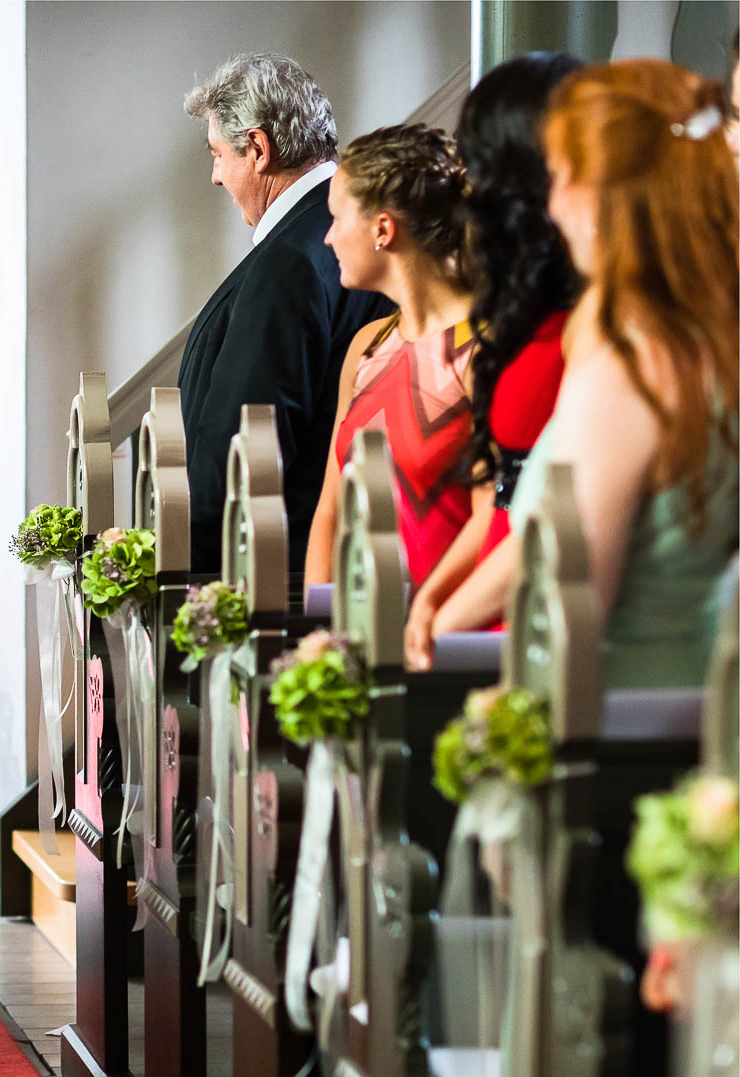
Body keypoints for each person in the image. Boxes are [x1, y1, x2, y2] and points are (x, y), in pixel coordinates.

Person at [507, 59, 737, 687]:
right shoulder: (716, 340)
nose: (552, 207)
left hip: (613, 726)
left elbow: (568, 611)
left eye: (558, 178)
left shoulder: (630, 361)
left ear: (602, 193)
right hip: (694, 713)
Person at [178, 52, 395, 573]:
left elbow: (247, 450)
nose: (214, 177)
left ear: (257, 148)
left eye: (216, 155)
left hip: (277, 575)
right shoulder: (342, 232)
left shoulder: (292, 260)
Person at [404, 53, 583, 668]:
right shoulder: (517, 309)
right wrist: (433, 603)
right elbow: (500, 498)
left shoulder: (587, 320)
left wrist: (449, 623)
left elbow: (561, 519)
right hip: (489, 593)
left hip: (536, 604)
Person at [304, 124, 478, 595]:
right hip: (355, 638)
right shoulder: (366, 347)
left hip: (451, 644)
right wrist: (316, 637)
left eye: (337, 218)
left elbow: (496, 525)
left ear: (383, 229)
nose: (328, 238)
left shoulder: (482, 349)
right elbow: (330, 511)